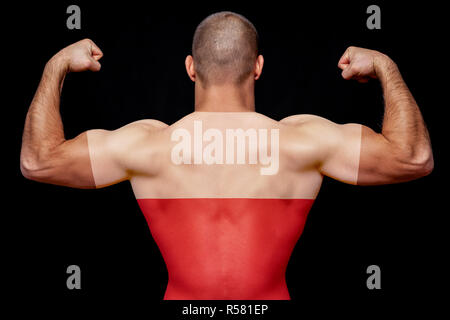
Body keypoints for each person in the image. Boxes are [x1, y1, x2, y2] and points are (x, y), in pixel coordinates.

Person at [20, 11, 433, 300]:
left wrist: (55, 65)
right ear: (257, 67)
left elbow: (38, 161)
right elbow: (414, 159)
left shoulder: (146, 144)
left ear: (190, 68)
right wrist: (384, 65)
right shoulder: (302, 140)